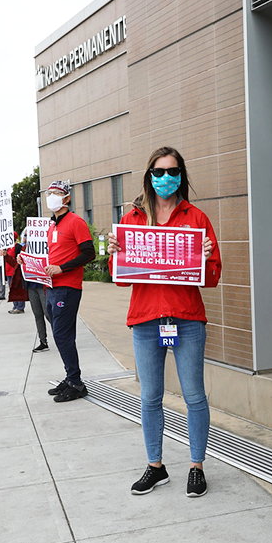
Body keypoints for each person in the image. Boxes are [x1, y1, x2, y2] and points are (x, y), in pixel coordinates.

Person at [106, 147, 221, 498]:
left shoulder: (196, 218)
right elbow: (121, 278)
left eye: (172, 171)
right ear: (149, 175)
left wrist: (205, 258)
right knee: (150, 397)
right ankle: (156, 466)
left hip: (185, 320)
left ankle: (196, 467)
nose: (165, 178)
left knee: (194, 396)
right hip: (145, 321)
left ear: (181, 176)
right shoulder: (133, 220)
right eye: (158, 171)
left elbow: (213, 276)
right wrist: (114, 254)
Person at [43, 180, 95, 402]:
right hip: (51, 286)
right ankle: (70, 375)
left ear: (66, 198)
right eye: (49, 193)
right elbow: (53, 255)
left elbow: (89, 253)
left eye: (55, 193)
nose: (51, 196)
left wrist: (62, 268)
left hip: (67, 286)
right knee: (60, 334)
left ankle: (76, 382)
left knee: (62, 335)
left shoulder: (76, 222)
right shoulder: (52, 224)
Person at [0, 234, 28, 314]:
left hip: (15, 272)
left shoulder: (18, 247)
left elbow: (17, 261)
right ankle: (15, 306)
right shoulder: (7, 248)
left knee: (18, 289)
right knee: (12, 289)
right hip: (8, 272)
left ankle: (20, 307)